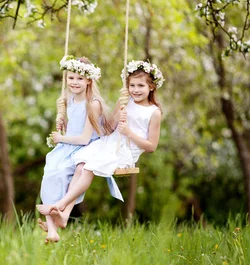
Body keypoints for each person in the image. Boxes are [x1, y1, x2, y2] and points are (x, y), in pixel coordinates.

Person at [43, 60, 164, 227]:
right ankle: (64, 216)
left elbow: (151, 146)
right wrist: (118, 109)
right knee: (79, 164)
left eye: (140, 86)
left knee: (87, 168)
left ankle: (61, 204)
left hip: (126, 149)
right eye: (132, 85)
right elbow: (109, 127)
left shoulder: (154, 112)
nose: (135, 90)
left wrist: (128, 132)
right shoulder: (124, 102)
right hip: (109, 142)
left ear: (151, 87)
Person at [37, 55, 114, 243]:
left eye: (79, 78)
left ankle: (61, 214)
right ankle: (52, 230)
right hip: (68, 146)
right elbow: (71, 124)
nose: (74, 82)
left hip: (85, 147)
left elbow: (85, 138)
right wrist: (61, 120)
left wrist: (60, 138)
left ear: (89, 80)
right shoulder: (67, 100)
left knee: (63, 172)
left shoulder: (93, 103)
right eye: (71, 78)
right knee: (50, 172)